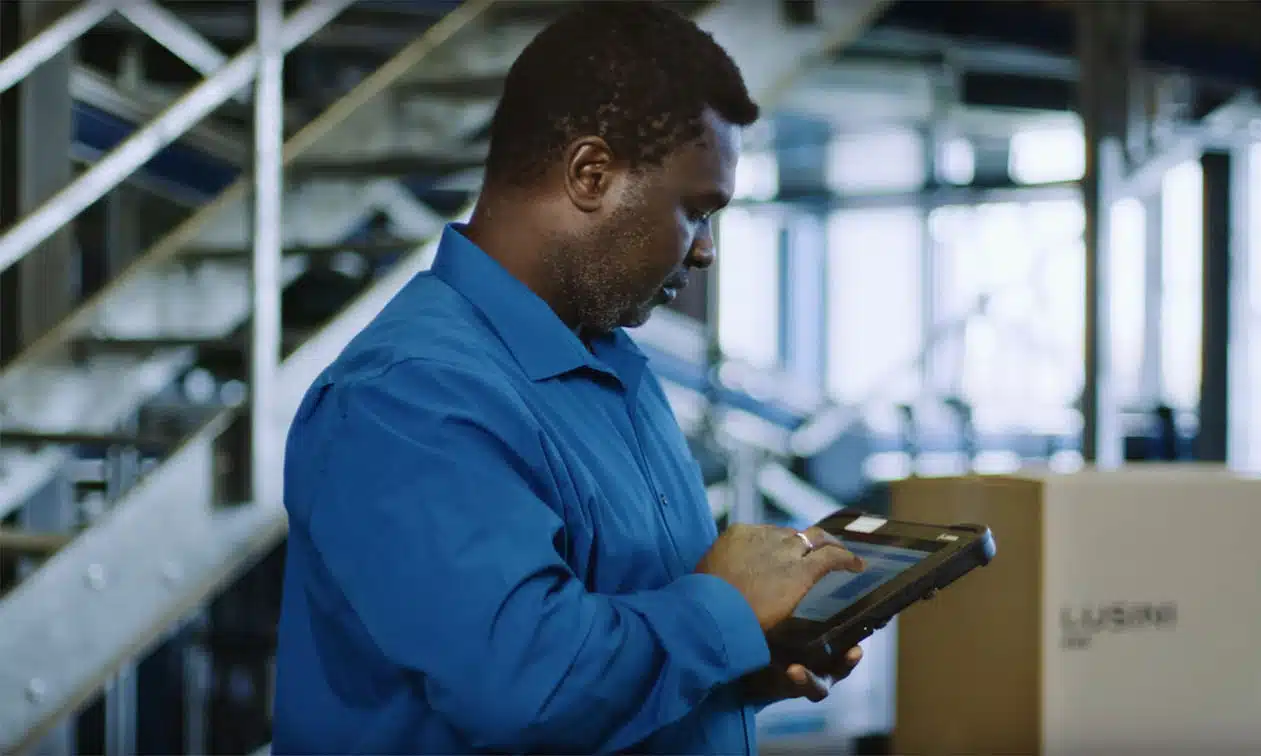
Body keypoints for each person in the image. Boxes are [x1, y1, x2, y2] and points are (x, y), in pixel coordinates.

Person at [270, 2, 867, 754]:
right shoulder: (407, 398)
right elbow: (526, 686)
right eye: (697, 211)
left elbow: (628, 647)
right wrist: (726, 612)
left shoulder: (612, 369)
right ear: (591, 173)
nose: (705, 251)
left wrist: (744, 659)